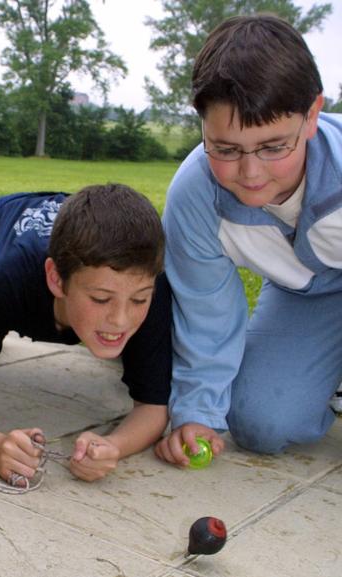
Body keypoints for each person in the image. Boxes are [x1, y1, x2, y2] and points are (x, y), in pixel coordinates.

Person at [156, 14, 342, 467]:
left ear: (313, 114)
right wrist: (197, 412)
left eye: (273, 147)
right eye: (225, 149)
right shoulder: (195, 197)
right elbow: (206, 315)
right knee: (260, 422)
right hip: (310, 295)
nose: (251, 173)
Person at [0, 184, 172, 483]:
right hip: (2, 224)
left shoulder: (151, 283)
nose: (120, 320)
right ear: (56, 279)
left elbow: (154, 408)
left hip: (65, 245)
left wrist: (115, 446)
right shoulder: (8, 278)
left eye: (138, 300)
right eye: (101, 299)